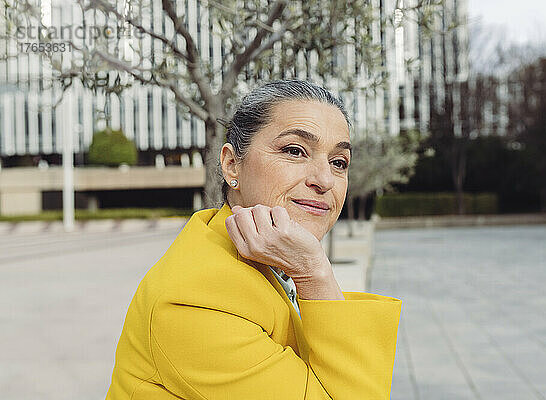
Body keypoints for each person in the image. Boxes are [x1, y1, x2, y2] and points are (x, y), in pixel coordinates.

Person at [105, 80, 402, 399]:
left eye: (338, 162)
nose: (325, 180)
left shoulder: (263, 262)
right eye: (294, 151)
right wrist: (314, 272)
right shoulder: (194, 300)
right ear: (232, 165)